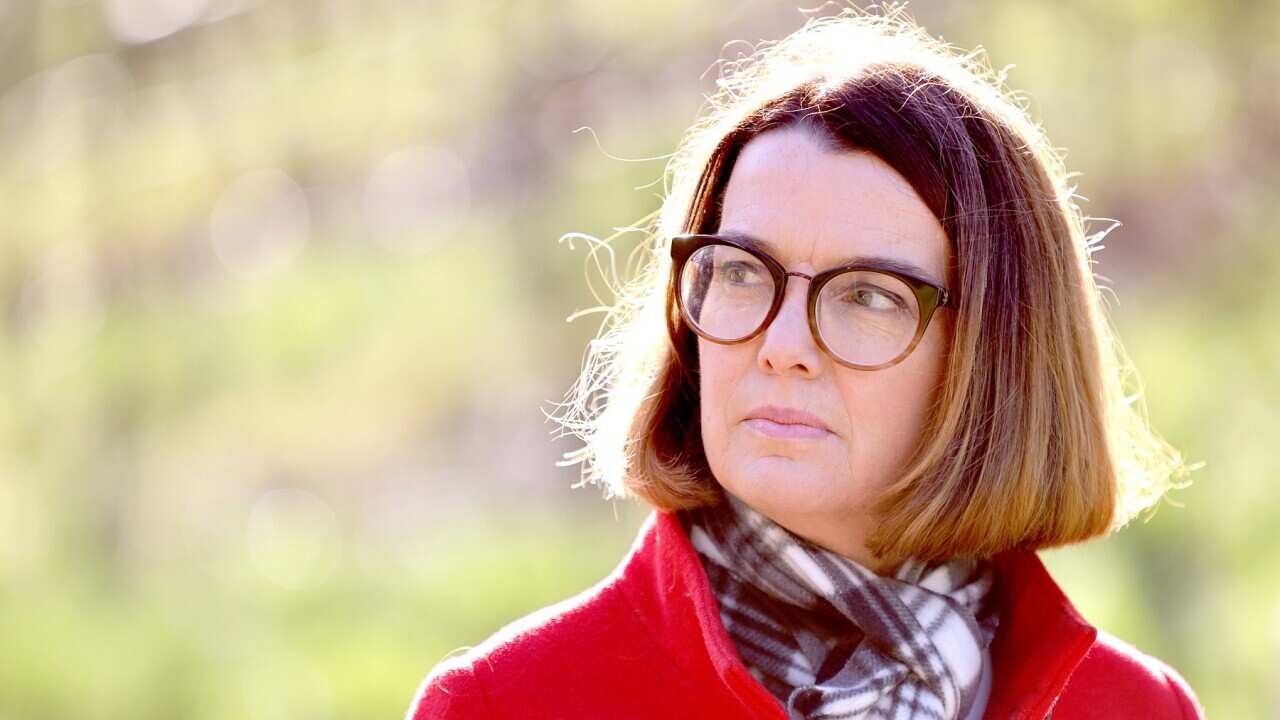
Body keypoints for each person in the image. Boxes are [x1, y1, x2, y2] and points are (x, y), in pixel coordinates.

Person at [407, 5, 1205, 719]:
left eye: (868, 295)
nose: (782, 348)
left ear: (998, 353)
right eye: (743, 273)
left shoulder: (1134, 708)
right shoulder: (508, 703)